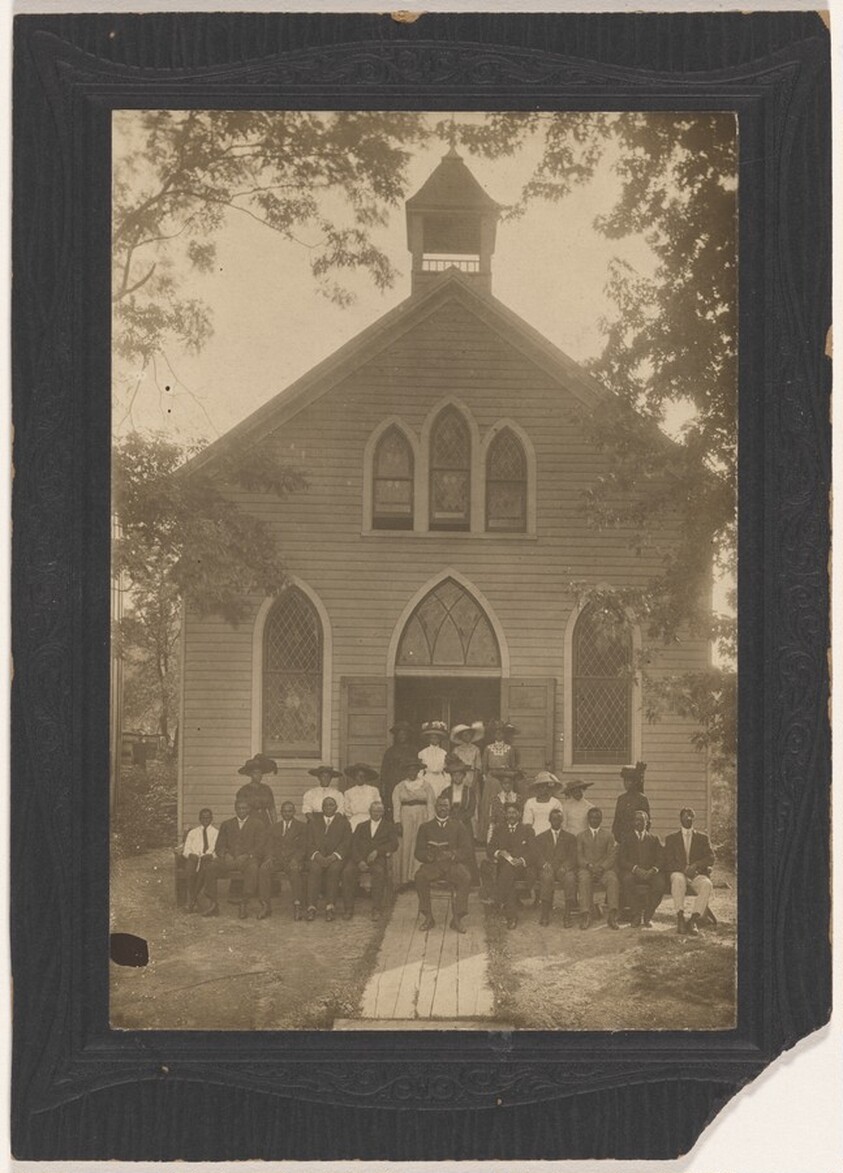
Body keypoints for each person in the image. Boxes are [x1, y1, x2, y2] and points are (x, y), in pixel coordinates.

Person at [414, 795, 474, 933]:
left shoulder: (458, 826)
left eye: (445, 806)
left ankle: (457, 918)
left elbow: (467, 849)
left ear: (449, 808)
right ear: (435, 807)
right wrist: (427, 856)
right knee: (419, 877)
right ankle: (428, 916)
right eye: (440, 805)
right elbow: (418, 852)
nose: (443, 808)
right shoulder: (425, 827)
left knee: (465, 877)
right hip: (433, 865)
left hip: (452, 865)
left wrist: (453, 854)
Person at [203, 798, 266, 919]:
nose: (241, 811)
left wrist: (247, 855)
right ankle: (213, 903)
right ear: (235, 809)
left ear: (249, 809)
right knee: (211, 867)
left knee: (253, 868)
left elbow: (260, 846)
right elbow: (219, 845)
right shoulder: (227, 824)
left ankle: (244, 902)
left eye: (244, 808)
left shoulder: (258, 824)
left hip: (247, 859)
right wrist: (225, 854)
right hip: (229, 859)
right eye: (239, 808)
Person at [341, 800, 399, 920]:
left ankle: (376, 909)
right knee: (347, 872)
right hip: (358, 859)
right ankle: (348, 909)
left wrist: (378, 851)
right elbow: (353, 845)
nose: (376, 813)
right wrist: (359, 861)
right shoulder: (361, 826)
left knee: (379, 872)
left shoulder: (389, 827)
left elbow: (394, 844)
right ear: (369, 812)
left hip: (377, 860)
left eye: (379, 811)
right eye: (374, 811)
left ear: (382, 813)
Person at [662, 807, 716, 935]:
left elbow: (711, 857)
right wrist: (684, 869)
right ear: (680, 818)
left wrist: (696, 865)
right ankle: (680, 918)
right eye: (685, 816)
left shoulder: (702, 838)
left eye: (691, 816)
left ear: (694, 818)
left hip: (696, 874)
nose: (688, 818)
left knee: (707, 884)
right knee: (678, 879)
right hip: (679, 872)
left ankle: (693, 920)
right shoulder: (672, 839)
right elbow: (668, 861)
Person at [486, 803, 535, 928]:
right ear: (505, 815)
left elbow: (533, 851)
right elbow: (490, 849)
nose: (511, 816)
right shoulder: (499, 829)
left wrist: (522, 860)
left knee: (508, 873)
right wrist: (499, 852)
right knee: (509, 878)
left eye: (514, 813)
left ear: (519, 814)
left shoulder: (527, 830)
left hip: (522, 869)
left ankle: (497, 899)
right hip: (505, 868)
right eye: (509, 813)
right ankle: (511, 917)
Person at [257, 800, 307, 921]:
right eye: (284, 811)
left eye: (290, 811)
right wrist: (269, 858)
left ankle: (298, 906)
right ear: (281, 812)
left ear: (294, 812)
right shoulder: (274, 827)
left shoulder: (302, 827)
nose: (287, 813)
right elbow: (268, 845)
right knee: (264, 869)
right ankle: (265, 905)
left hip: (293, 860)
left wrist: (296, 859)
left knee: (295, 872)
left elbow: (304, 847)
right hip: (277, 860)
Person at [305, 796, 352, 922]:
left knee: (334, 870)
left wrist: (333, 857)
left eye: (331, 805)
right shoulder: (314, 822)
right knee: (314, 870)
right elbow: (308, 843)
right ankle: (311, 907)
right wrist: (317, 856)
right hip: (318, 857)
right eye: (326, 805)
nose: (328, 807)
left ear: (336, 808)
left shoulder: (344, 823)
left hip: (335, 858)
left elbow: (346, 843)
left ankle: (330, 907)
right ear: (322, 808)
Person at [393, 758, 436, 887]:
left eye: (414, 770)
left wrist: (430, 822)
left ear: (418, 771)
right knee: (406, 844)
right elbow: (396, 805)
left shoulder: (426, 785)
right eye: (409, 770)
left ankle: (419, 877)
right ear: (406, 772)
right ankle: (406, 879)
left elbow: (431, 804)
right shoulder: (400, 786)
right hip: (405, 816)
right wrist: (397, 821)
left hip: (422, 816)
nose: (412, 772)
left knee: (419, 843)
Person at [532, 807, 578, 926]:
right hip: (549, 868)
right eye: (553, 819)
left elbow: (573, 856)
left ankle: (567, 915)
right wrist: (543, 864)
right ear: (549, 820)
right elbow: (537, 855)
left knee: (570, 878)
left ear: (562, 820)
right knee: (546, 877)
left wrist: (566, 867)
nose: (556, 821)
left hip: (563, 868)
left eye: (558, 819)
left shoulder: (570, 837)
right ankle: (545, 914)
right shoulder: (541, 837)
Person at [577, 806, 620, 930]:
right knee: (583, 878)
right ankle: (586, 914)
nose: (594, 820)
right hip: (587, 869)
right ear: (588, 819)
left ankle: (612, 915)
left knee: (612, 878)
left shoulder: (608, 835)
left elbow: (612, 856)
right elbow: (579, 856)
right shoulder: (581, 836)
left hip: (603, 870)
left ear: (601, 819)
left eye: (597, 817)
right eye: (592, 817)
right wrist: (589, 866)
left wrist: (602, 867)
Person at [618, 809, 663, 927]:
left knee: (660, 884)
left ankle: (648, 915)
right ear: (632, 822)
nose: (638, 823)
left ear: (647, 822)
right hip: (633, 873)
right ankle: (636, 914)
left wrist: (653, 870)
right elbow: (622, 860)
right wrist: (636, 869)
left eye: (641, 820)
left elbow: (660, 859)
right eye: (636, 820)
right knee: (627, 880)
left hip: (650, 873)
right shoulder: (626, 838)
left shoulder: (654, 839)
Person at [440, 755, 479, 884]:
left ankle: (470, 879)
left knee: (466, 848)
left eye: (460, 775)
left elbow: (471, 809)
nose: (457, 778)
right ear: (451, 777)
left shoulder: (469, 791)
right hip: (450, 823)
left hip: (464, 823)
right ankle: (451, 878)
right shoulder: (446, 791)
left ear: (464, 776)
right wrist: (450, 819)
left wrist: (461, 820)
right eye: (454, 775)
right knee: (450, 848)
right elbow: (442, 808)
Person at [479, 719, 518, 840]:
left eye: (501, 733)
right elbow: (484, 766)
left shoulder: (509, 749)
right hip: (492, 780)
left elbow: (513, 766)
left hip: (505, 779)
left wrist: (508, 775)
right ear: (493, 735)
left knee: (504, 803)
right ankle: (488, 837)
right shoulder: (488, 748)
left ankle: (506, 834)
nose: (499, 735)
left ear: (504, 735)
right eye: (497, 733)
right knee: (490, 805)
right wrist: (487, 777)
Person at [181, 807, 218, 912]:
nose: (205, 820)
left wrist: (211, 855)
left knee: (205, 866)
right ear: (199, 819)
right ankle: (194, 899)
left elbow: (217, 850)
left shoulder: (216, 833)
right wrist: (190, 854)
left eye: (208, 818)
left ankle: (191, 900)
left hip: (206, 859)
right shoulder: (193, 833)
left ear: (211, 819)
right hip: (194, 859)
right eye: (203, 818)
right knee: (190, 868)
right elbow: (186, 849)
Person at [450, 724, 482, 836]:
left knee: (473, 802)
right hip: (460, 777)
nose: (466, 737)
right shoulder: (456, 750)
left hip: (472, 777)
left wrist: (474, 782)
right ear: (461, 737)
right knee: (460, 800)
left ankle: (473, 834)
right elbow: (453, 766)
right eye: (464, 735)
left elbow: (477, 768)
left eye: (468, 735)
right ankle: (459, 831)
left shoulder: (476, 749)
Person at [379, 720, 415, 820]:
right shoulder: (390, 752)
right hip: (393, 784)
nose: (402, 736)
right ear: (396, 736)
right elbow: (384, 772)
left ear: (408, 735)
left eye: (405, 734)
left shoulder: (413, 751)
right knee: (393, 810)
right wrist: (383, 790)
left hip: (408, 784)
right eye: (400, 734)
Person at [235, 753, 278, 825]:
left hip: (264, 820)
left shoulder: (266, 789)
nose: (258, 776)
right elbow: (240, 811)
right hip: (250, 821)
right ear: (250, 774)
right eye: (255, 773)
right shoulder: (243, 790)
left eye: (260, 773)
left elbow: (272, 809)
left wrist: (274, 825)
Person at [612, 761, 649, 843]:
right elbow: (617, 820)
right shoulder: (621, 799)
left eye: (628, 781)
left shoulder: (642, 799)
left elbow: (647, 822)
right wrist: (618, 836)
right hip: (623, 839)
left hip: (637, 840)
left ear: (635, 782)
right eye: (624, 781)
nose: (625, 784)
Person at [522, 772, 564, 837]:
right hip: (535, 834)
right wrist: (530, 836)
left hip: (551, 834)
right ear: (537, 788)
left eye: (545, 786)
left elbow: (558, 821)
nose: (543, 789)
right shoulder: (530, 802)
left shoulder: (555, 802)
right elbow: (527, 822)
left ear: (549, 788)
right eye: (540, 787)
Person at [486, 768, 525, 838]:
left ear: (512, 784)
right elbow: (492, 820)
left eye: (509, 783)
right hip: (500, 833)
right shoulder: (496, 799)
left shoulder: (518, 798)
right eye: (505, 783)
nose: (507, 785)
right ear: (501, 784)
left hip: (515, 833)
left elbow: (522, 817)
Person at [342, 763, 381, 830]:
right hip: (354, 821)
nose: (361, 778)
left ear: (366, 777)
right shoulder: (348, 792)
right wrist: (353, 819)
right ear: (354, 777)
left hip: (370, 819)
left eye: (363, 776)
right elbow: (347, 810)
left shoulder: (374, 790)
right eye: (358, 775)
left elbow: (378, 807)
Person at [418, 720, 451, 798]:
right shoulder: (422, 753)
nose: (434, 739)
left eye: (436, 738)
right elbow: (420, 771)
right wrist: (420, 782)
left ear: (440, 739)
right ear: (429, 739)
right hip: (427, 779)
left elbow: (446, 771)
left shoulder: (444, 753)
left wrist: (447, 783)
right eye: (432, 738)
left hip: (440, 780)